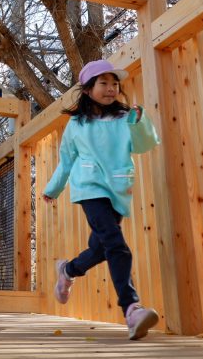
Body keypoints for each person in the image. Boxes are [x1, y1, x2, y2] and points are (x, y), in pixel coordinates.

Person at [42, 59, 161, 340]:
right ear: (87, 89)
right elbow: (66, 161)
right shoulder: (76, 124)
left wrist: (139, 122)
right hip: (89, 188)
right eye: (103, 83)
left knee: (100, 249)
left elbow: (144, 145)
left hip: (118, 188)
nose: (111, 88)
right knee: (117, 246)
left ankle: (68, 270)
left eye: (114, 83)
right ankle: (131, 309)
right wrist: (53, 188)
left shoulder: (124, 117)